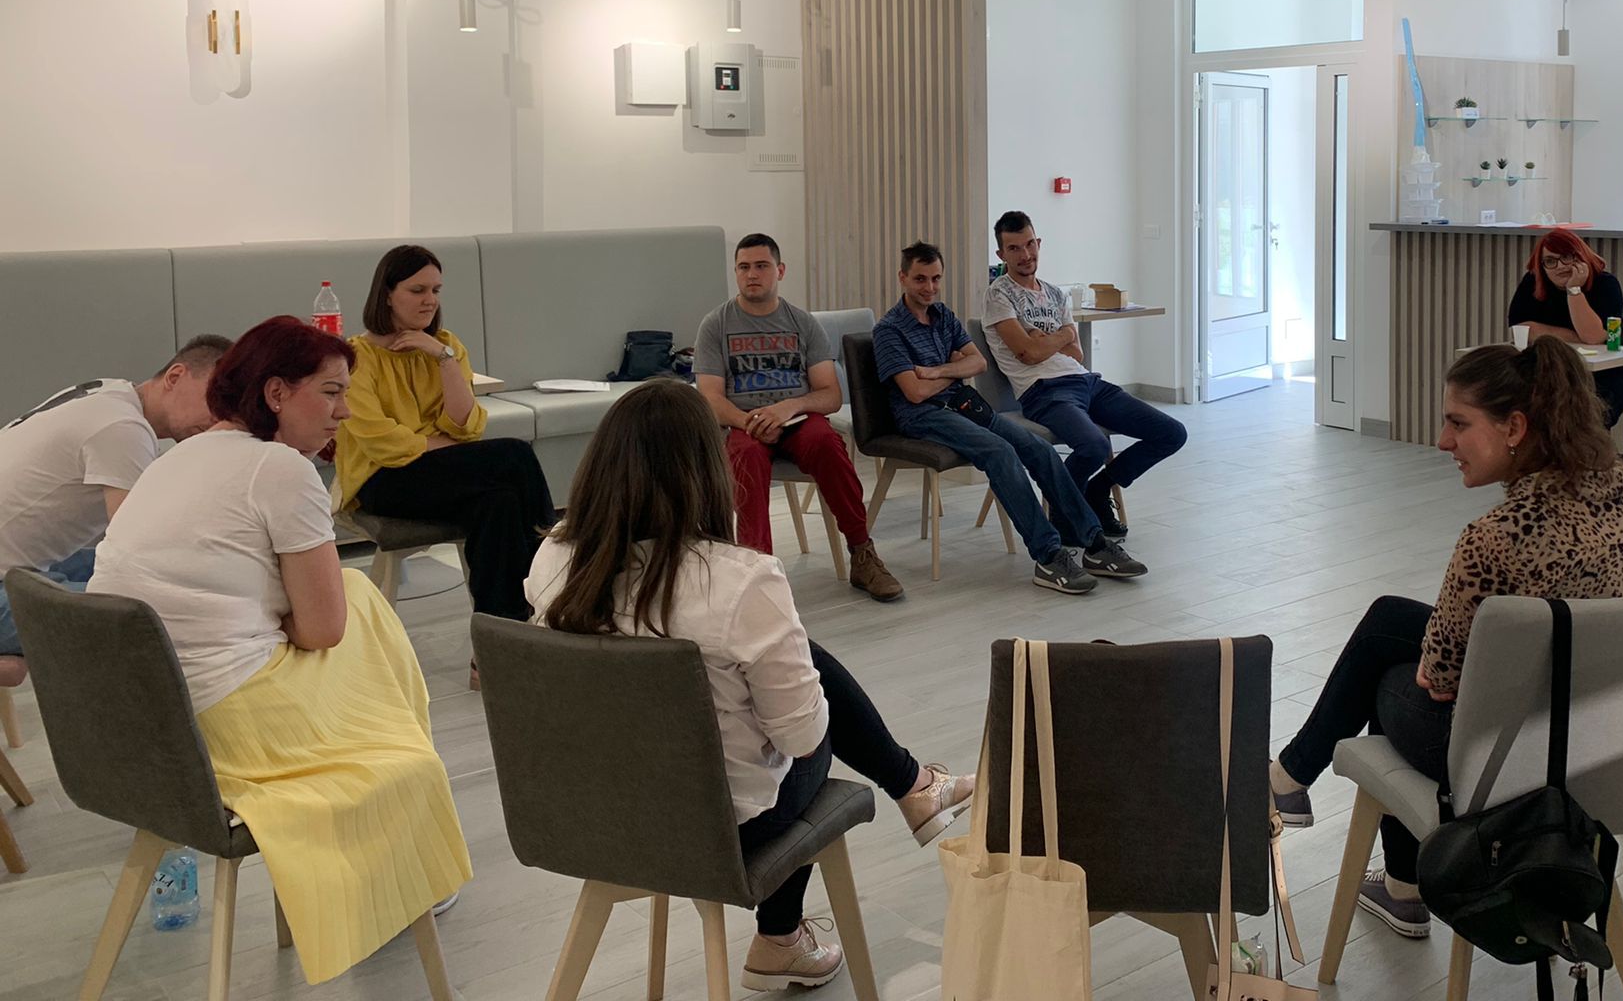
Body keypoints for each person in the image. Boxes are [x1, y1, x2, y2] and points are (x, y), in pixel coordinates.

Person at [527, 379, 973, 991]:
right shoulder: (740, 582)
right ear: (704, 471)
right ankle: (786, 929)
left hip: (589, 815)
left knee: (794, 671)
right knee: (808, 725)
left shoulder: (553, 558)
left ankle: (914, 788)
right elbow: (803, 738)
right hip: (715, 829)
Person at [88, 318, 470, 986]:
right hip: (221, 721)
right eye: (331, 392)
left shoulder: (175, 457)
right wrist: (286, 617)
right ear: (275, 393)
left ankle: (388, 833)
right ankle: (397, 857)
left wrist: (274, 614)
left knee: (359, 598)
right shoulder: (281, 470)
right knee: (371, 638)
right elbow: (321, 631)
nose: (344, 412)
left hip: (142, 725)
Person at [1267, 338, 1623, 939]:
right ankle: (1294, 788)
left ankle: (1349, 837)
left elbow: (1438, 679)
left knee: (1386, 676)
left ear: (1515, 427)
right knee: (1389, 620)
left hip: (1518, 768)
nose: (1442, 441)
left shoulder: (1495, 537)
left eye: (1458, 423)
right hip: (1616, 749)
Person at [873, 241, 1147, 595]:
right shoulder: (889, 330)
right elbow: (913, 392)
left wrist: (938, 371)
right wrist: (954, 372)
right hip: (921, 415)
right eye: (920, 279)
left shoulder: (943, 315)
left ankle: (1094, 543)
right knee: (1000, 452)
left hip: (962, 404)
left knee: (1040, 450)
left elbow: (977, 363)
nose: (930, 287)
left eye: (936, 279)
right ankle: (1049, 555)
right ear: (903, 278)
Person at [334, 244, 555, 635]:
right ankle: (551, 589)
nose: (430, 300)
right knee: (515, 455)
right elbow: (383, 443)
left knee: (500, 502)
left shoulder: (444, 346)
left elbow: (467, 426)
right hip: (380, 480)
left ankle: (500, 635)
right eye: (417, 290)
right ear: (387, 294)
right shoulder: (356, 357)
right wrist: (446, 445)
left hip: (438, 474)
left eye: (436, 290)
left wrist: (444, 358)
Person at [695, 233, 904, 602]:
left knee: (827, 443)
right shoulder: (716, 324)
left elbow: (830, 394)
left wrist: (787, 408)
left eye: (761, 266)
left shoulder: (803, 323)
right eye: (743, 267)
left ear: (780, 270)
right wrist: (751, 422)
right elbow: (709, 398)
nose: (751, 274)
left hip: (798, 420)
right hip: (745, 423)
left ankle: (862, 553)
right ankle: (757, 572)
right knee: (745, 455)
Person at [0, 335, 229, 655]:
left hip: (20, 567)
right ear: (175, 376)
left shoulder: (111, 393)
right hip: (7, 585)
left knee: (103, 567)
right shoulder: (123, 428)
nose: (219, 420)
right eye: (216, 400)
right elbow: (142, 550)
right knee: (159, 616)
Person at [983, 211, 1186, 536]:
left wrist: (1043, 338)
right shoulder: (998, 294)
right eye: (1014, 248)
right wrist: (1059, 336)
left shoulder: (1055, 293)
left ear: (1039, 243)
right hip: (1043, 391)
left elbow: (1076, 353)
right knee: (1093, 446)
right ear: (1001, 254)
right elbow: (1028, 354)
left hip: (1087, 383)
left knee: (1172, 433)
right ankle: (1065, 516)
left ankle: (1097, 490)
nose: (1025, 255)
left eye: (1030, 244)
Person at [1507, 228, 1623, 425]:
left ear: (1580, 256)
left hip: (1599, 378)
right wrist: (1576, 336)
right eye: (1550, 261)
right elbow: (1522, 329)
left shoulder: (1605, 284)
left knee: (1569, 417)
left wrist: (1574, 290)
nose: (1560, 267)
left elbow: (1593, 337)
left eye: (1566, 257)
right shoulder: (1532, 281)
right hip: (1544, 372)